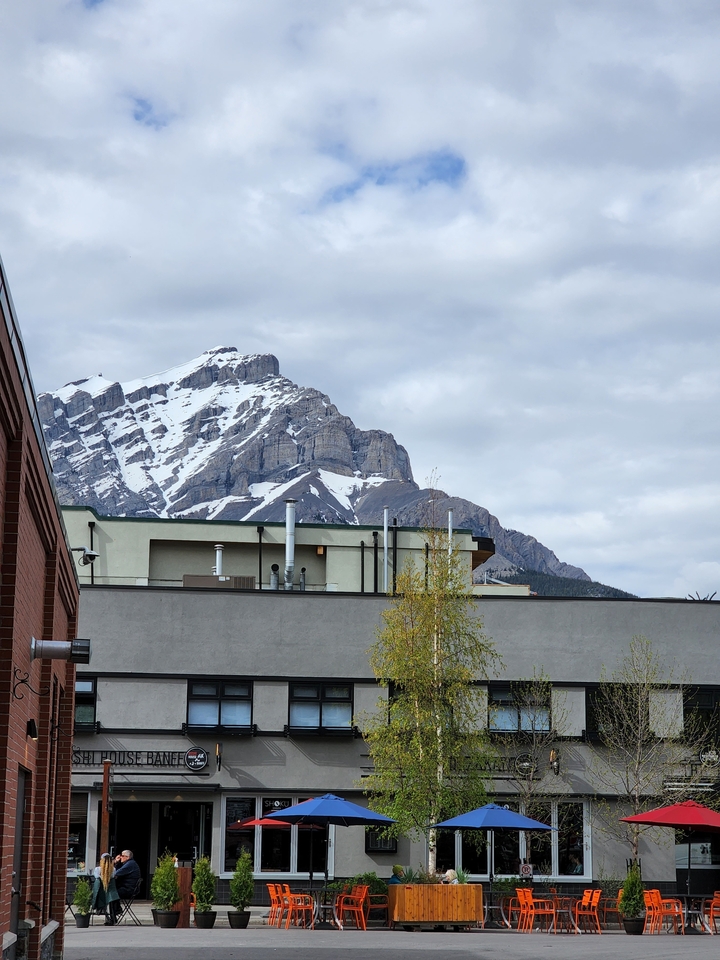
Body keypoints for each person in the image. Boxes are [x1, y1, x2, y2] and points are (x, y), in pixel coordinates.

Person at [110, 850, 141, 923]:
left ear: (127, 857)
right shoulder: (129, 863)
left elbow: (116, 873)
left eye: (122, 856)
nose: (120, 857)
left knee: (112, 894)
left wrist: (115, 862)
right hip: (126, 888)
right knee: (113, 893)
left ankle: (113, 917)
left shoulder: (130, 864)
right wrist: (116, 863)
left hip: (129, 889)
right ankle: (117, 910)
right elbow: (116, 872)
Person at [91, 853, 120, 925]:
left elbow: (97, 878)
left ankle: (101, 910)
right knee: (112, 899)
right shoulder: (113, 869)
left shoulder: (97, 869)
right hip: (111, 893)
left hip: (99, 893)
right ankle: (112, 917)